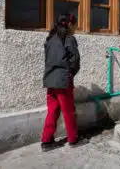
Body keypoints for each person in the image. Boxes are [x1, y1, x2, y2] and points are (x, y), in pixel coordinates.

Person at [41, 13, 88, 152]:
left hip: (50, 80)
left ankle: (46, 141)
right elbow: (75, 61)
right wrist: (70, 74)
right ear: (69, 25)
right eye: (74, 25)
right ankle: (73, 139)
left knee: (52, 111)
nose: (75, 28)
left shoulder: (49, 39)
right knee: (68, 111)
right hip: (62, 81)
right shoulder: (69, 39)